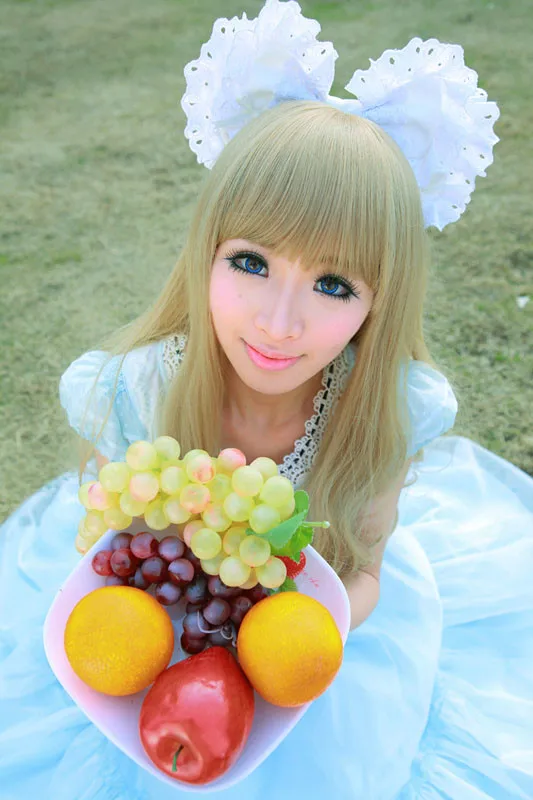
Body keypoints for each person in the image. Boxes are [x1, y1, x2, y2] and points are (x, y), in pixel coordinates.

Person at [1, 1, 532, 798]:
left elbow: (363, 573)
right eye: (251, 263)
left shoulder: (387, 410)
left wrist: (277, 644)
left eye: (333, 284)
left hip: (309, 638)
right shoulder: (135, 390)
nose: (279, 324)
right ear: (205, 252)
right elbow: (121, 555)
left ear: (378, 304)